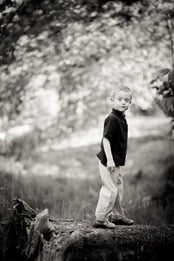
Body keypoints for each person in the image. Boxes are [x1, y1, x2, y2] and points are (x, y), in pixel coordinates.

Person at [93, 87, 134, 229]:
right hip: (108, 162)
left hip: (115, 162)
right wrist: (110, 159)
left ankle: (116, 215)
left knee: (118, 188)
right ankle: (101, 218)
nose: (123, 103)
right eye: (119, 99)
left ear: (130, 103)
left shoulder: (121, 118)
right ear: (112, 101)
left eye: (126, 100)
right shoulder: (112, 119)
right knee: (110, 189)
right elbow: (106, 140)